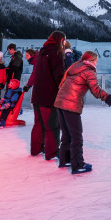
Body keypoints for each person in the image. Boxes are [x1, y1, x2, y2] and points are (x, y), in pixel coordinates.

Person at [54, 51, 111, 174]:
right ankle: (77, 165)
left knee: (66, 134)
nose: (97, 63)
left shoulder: (75, 66)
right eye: (96, 60)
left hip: (60, 102)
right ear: (92, 60)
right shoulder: (89, 71)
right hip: (70, 104)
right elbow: (96, 90)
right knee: (76, 135)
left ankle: (65, 160)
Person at [30, 31, 67, 160]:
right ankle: (51, 152)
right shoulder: (57, 53)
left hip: (37, 95)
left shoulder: (42, 52)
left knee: (39, 124)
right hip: (49, 96)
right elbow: (59, 76)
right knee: (52, 125)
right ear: (60, 40)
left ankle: (36, 149)